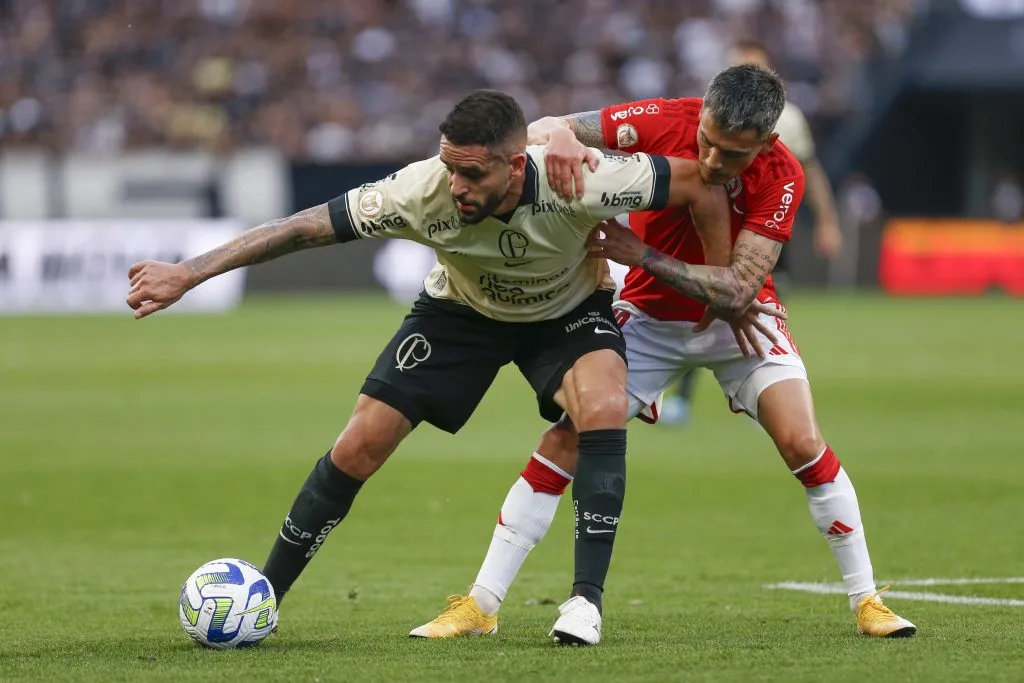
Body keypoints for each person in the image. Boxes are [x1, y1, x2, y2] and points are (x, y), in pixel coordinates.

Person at [125, 89, 741, 644]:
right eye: (451, 168)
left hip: (568, 312)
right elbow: (303, 228)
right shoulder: (419, 191)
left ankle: (585, 603)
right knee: (358, 444)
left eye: (473, 173)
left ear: (516, 165)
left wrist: (713, 295)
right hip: (460, 315)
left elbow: (700, 185)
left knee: (603, 406)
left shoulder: (583, 177)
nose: (458, 186)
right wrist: (190, 272)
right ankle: (265, 597)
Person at [412, 66, 915, 644]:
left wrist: (639, 252)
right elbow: (543, 128)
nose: (711, 161)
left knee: (802, 441)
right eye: (706, 140)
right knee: (567, 439)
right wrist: (568, 137)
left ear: (768, 143)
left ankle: (868, 601)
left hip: (739, 324)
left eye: (731, 155)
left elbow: (737, 290)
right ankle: (481, 604)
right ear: (700, 114)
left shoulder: (783, 174)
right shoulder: (663, 118)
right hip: (648, 318)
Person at [660, 39, 845, 426]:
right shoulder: (706, 114)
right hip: (703, 228)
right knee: (699, 305)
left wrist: (827, 220)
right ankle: (681, 396)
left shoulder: (789, 120)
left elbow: (808, 170)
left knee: (760, 304)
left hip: (760, 230)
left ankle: (763, 386)